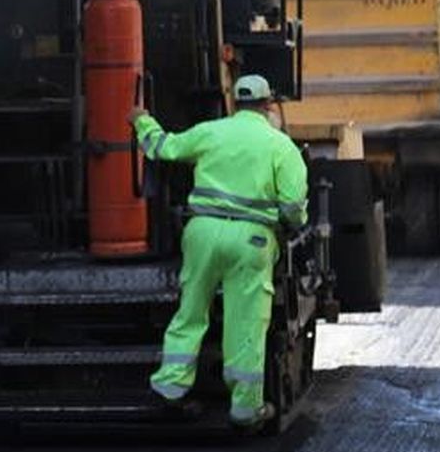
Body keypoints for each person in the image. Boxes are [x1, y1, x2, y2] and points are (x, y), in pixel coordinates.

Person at [130, 74, 308, 429]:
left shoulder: (211, 132)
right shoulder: (280, 145)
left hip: (202, 233)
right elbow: (292, 207)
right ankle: (245, 409)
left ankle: (170, 388)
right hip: (252, 240)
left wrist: (141, 120)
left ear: (234, 103)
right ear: (268, 105)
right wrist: (291, 223)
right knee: (246, 323)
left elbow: (163, 148)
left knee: (191, 310)